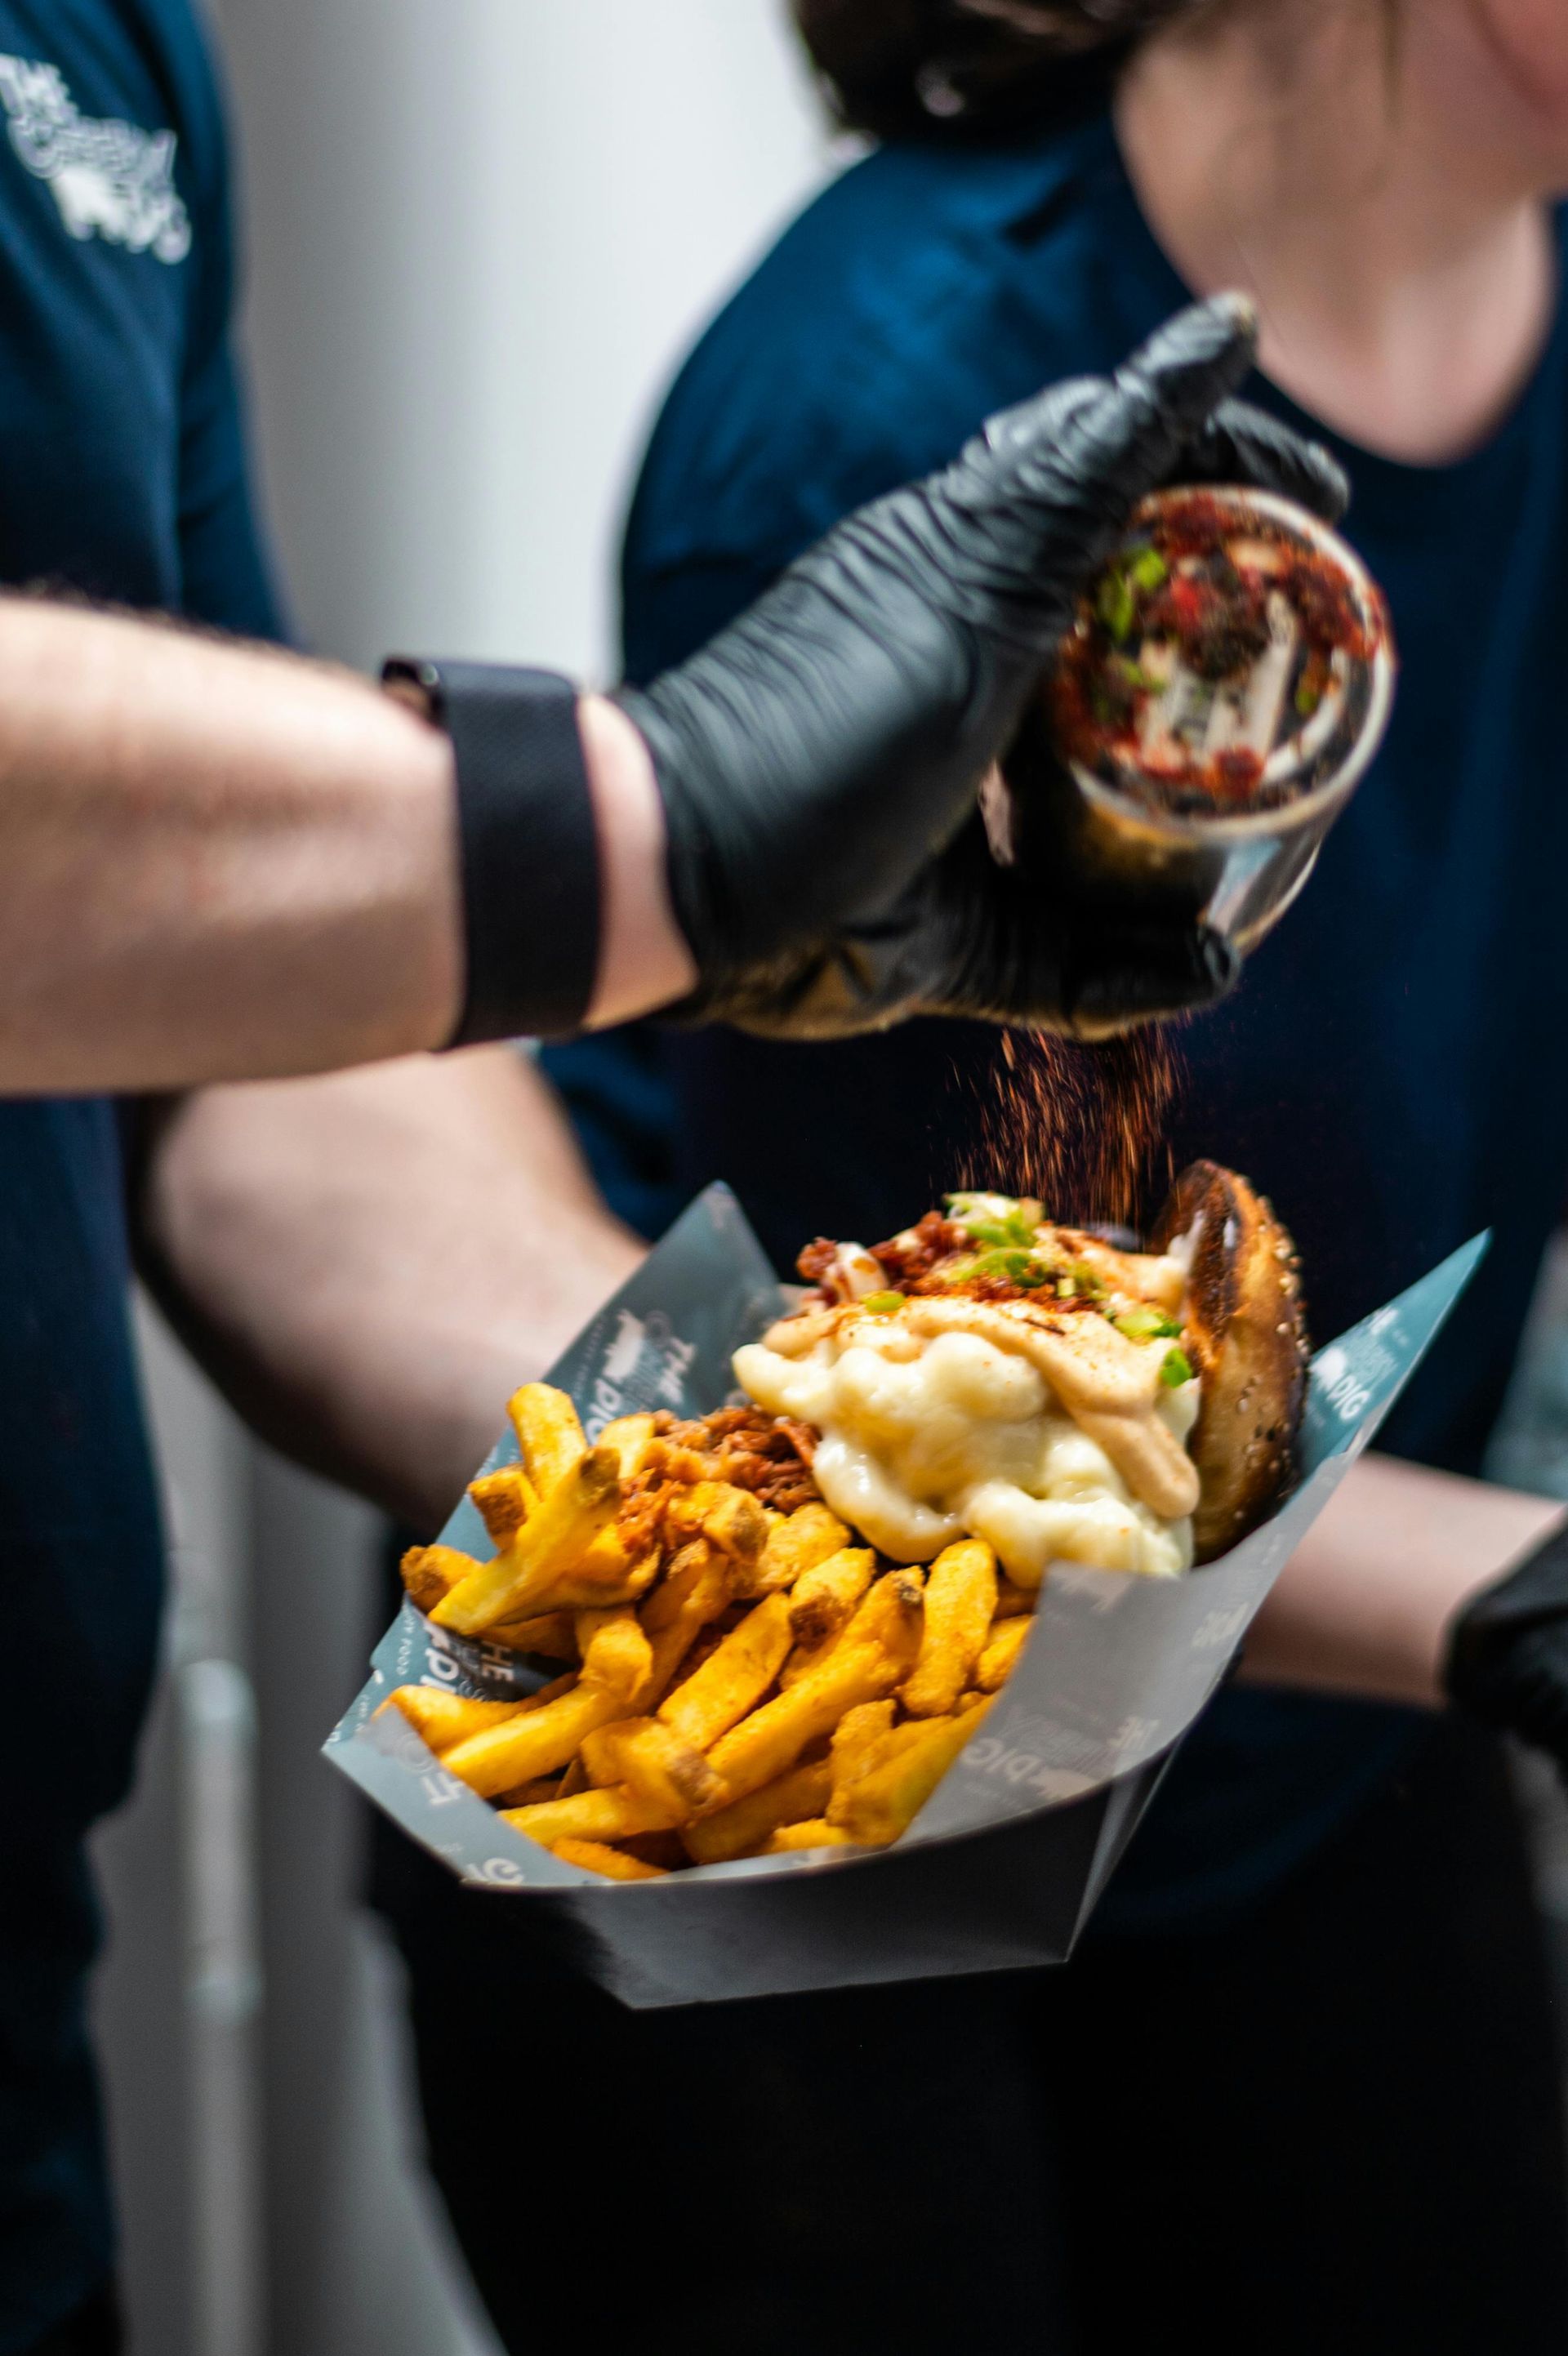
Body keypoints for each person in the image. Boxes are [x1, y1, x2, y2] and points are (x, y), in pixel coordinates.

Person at [0, 9, 1353, 2350]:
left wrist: (762, 1450)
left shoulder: (110, 54)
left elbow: (230, 1018)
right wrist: (650, 829)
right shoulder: (868, 362)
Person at [372, 3, 1568, 2353]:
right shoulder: (882, 410)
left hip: (1280, 1733)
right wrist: (1507, 1586)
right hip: (757, 1783)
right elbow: (930, 1429)